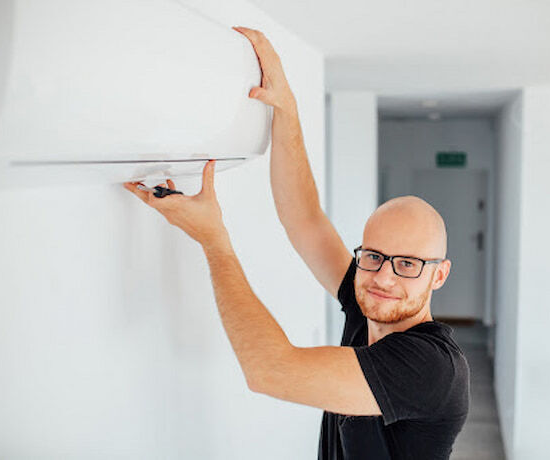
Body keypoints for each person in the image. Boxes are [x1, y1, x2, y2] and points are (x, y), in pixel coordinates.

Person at [124, 26, 469, 460]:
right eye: (375, 256)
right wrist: (286, 108)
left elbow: (269, 370)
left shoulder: (430, 367)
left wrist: (214, 240)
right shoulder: (370, 307)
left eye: (407, 264)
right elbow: (305, 219)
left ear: (439, 274)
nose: (383, 276)